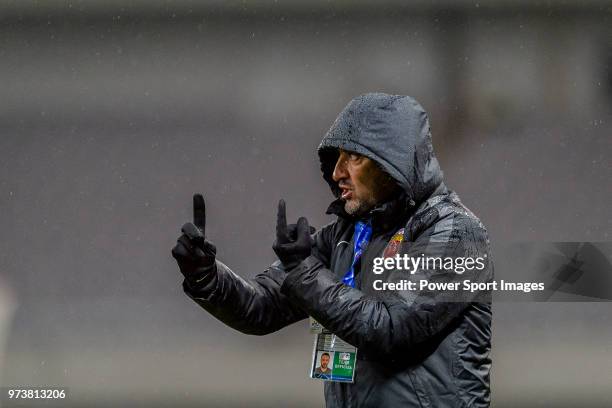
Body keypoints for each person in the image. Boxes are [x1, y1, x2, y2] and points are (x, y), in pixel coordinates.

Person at [171, 93, 493, 407]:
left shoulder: (455, 233)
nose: (338, 171)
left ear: (392, 162)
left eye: (353, 157)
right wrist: (207, 277)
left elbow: (391, 329)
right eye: (337, 158)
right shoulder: (346, 234)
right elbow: (261, 307)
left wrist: (304, 273)